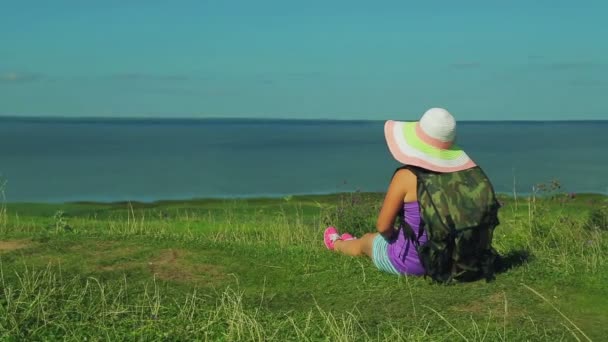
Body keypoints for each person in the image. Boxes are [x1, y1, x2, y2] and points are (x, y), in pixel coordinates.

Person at [324, 107, 491, 277]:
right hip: (453, 259)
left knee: (368, 240)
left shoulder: (406, 176)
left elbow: (383, 226)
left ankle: (337, 243)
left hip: (412, 264)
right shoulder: (460, 177)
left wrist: (395, 234)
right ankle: (348, 240)